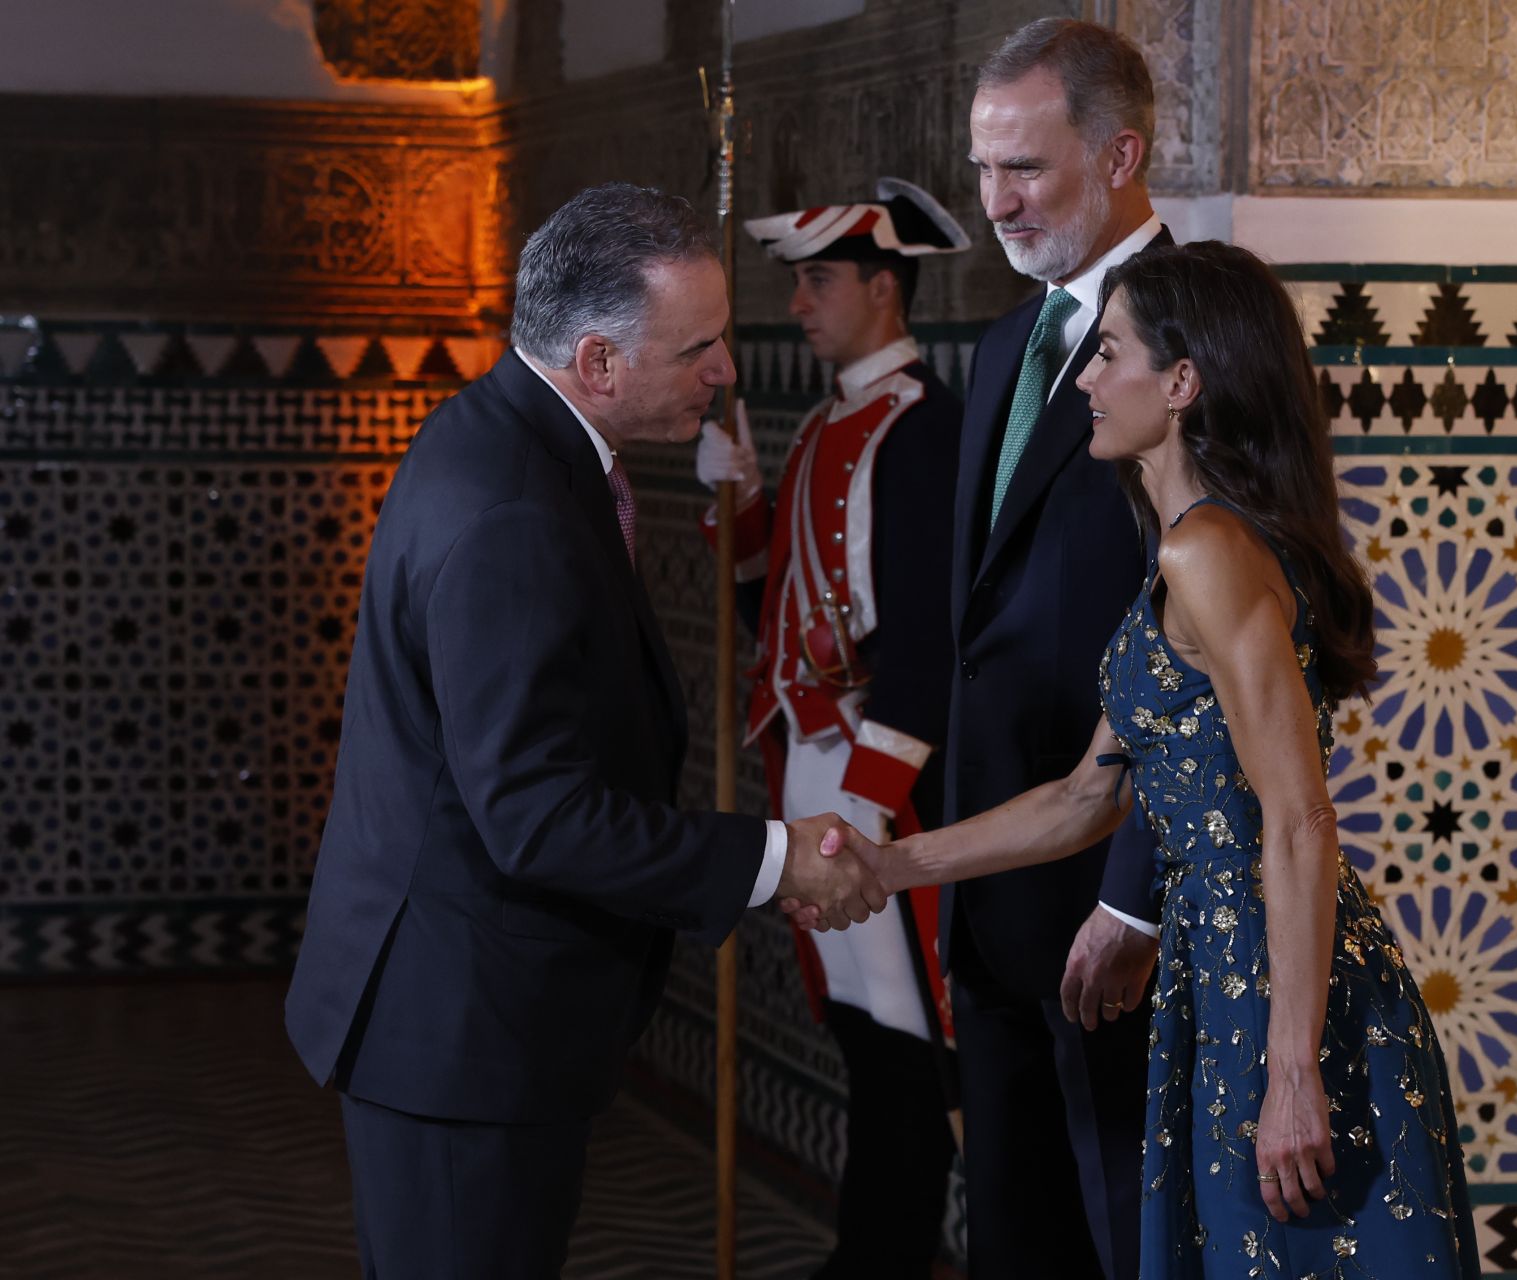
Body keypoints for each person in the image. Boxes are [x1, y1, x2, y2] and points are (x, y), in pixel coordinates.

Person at [283, 183, 887, 1280]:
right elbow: (536, 816)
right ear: (598, 361)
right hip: (459, 1033)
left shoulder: (508, 434)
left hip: (469, 1012)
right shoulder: (514, 508)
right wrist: (773, 859)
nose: (725, 371)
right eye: (698, 348)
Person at [867, 240, 1481, 1277]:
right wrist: (890, 865)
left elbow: (1299, 819)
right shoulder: (1183, 545)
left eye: (1108, 354)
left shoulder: (1208, 552)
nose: (1086, 380)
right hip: (1218, 975)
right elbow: (1084, 797)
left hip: (1281, 989)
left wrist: (1294, 1071)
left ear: (1183, 381)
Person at [695, 178, 969, 1278]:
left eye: (818, 281)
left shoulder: (923, 429)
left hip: (879, 781)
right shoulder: (822, 423)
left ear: (883, 288)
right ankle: (869, 1252)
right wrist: (739, 501)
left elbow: (926, 643)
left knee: (909, 1042)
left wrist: (866, 804)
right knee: (862, 1031)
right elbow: (775, 604)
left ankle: (883, 1258)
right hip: (810, 765)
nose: (799, 304)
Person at [951, 19, 1171, 1278]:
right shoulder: (1004, 344)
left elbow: (1209, 643)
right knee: (1016, 1236)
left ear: (1120, 154)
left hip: (1114, 910)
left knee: (1120, 1240)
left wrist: (1133, 893)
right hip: (994, 884)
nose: (997, 203)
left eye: (1025, 168)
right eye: (984, 169)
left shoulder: (1200, 333)